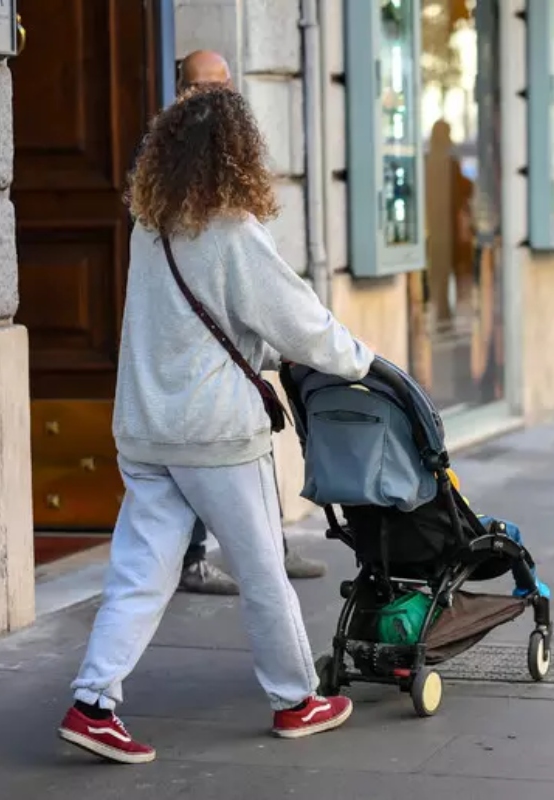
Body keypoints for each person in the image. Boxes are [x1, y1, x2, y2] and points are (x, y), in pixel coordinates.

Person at [57, 85, 375, 764]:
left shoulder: (151, 230)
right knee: (263, 570)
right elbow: (299, 321)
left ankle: (93, 702)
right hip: (217, 439)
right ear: (238, 153)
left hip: (146, 431)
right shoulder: (233, 233)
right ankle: (296, 700)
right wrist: (363, 362)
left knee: (140, 572)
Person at [167, 50, 329, 595]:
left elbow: (254, 258)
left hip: (233, 335)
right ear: (181, 91)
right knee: (200, 456)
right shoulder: (167, 156)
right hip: (195, 343)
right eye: (198, 88)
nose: (211, 97)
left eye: (219, 86)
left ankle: (271, 549)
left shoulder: (236, 144)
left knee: (249, 437)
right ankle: (207, 559)